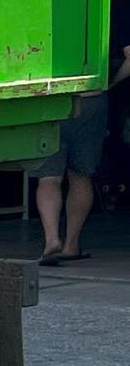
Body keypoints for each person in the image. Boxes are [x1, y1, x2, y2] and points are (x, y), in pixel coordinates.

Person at [37, 41, 130, 261]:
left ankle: (51, 240)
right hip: (91, 99)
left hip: (49, 98)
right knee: (81, 176)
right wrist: (109, 82)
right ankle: (71, 245)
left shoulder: (45, 7)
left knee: (48, 178)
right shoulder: (110, 9)